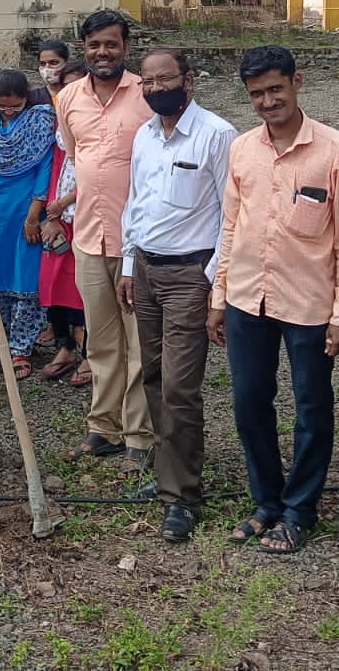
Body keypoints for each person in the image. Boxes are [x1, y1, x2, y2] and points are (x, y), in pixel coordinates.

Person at [210, 45, 339, 554]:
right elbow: (231, 226)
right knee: (249, 401)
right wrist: (219, 295)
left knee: (311, 406)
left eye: (276, 89)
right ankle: (267, 502)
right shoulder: (242, 149)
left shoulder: (336, 150)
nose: (267, 101)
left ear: (297, 83)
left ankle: (300, 509)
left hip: (309, 305)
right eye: (256, 94)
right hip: (246, 299)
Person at [117, 49, 237, 541]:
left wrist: (215, 285)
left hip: (191, 273)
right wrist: (129, 264)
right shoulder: (144, 136)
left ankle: (182, 495)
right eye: (146, 82)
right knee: (151, 375)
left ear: (188, 81)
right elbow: (136, 203)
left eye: (164, 80)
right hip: (146, 269)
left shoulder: (217, 134)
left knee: (179, 387)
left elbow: (232, 214)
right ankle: (170, 471)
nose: (154, 89)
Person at [55, 9, 155, 464]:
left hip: (136, 243)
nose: (102, 52)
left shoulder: (145, 94)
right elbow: (77, 156)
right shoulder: (68, 98)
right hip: (88, 239)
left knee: (139, 343)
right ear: (84, 48)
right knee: (100, 340)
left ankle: (139, 436)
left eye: (111, 44)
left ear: (125, 47)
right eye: (94, 45)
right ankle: (104, 427)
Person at [0, 70, 55, 379]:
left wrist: (34, 216)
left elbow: (45, 168)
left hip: (27, 206)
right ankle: (4, 335)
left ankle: (22, 347)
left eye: (15, 106)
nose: (8, 111)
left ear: (26, 100)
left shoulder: (40, 121)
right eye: (2, 106)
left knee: (25, 274)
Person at [38, 60, 89, 385]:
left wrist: (63, 204)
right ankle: (66, 345)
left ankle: (90, 353)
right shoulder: (60, 123)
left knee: (84, 287)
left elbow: (101, 176)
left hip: (87, 215)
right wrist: (52, 213)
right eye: (66, 86)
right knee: (52, 282)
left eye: (79, 86)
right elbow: (56, 166)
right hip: (60, 215)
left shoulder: (97, 124)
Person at [31, 39, 70, 107]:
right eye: (42, 64)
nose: (47, 68)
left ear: (66, 62)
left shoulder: (79, 94)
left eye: (54, 63)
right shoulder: (33, 98)